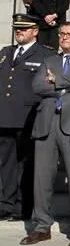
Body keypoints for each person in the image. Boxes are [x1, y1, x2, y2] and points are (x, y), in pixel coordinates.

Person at [24, 22, 70, 245]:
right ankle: (41, 225)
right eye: (61, 34)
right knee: (42, 177)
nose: (64, 38)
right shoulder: (50, 59)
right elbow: (37, 86)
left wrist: (55, 80)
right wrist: (69, 85)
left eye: (69, 34)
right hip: (46, 122)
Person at [0, 15, 52, 221]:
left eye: (24, 28)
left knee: (26, 163)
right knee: (5, 163)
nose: (18, 32)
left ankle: (23, 206)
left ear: (35, 31)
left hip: (27, 118)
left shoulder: (44, 54)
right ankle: (5, 203)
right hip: (4, 116)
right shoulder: (6, 53)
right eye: (16, 28)